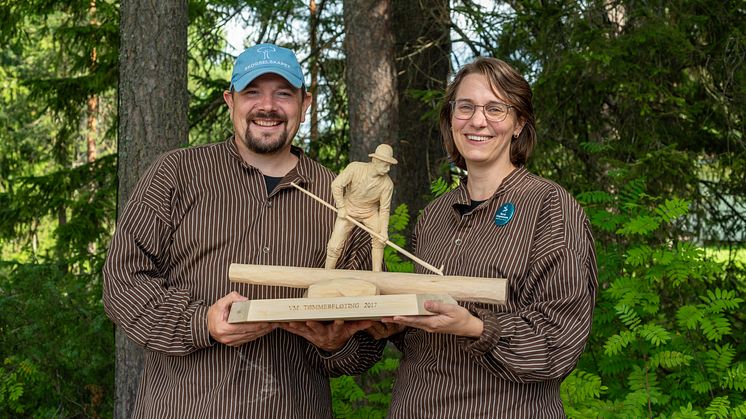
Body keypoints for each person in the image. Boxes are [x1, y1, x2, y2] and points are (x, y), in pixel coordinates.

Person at [103, 43, 384, 418]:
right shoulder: (177, 173)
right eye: (252, 92)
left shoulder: (340, 200)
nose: (267, 106)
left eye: (283, 93)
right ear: (230, 101)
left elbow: (364, 344)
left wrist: (335, 344)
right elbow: (122, 281)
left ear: (305, 103)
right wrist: (200, 323)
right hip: (184, 408)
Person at [377, 57, 598, 417]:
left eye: (496, 109)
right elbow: (418, 335)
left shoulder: (550, 206)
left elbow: (559, 342)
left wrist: (475, 326)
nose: (478, 121)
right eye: (465, 107)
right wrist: (385, 321)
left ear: (519, 123)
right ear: (451, 118)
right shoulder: (434, 215)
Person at [325, 144, 397, 272]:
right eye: (385, 165)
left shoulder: (387, 184)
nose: (388, 169)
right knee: (334, 246)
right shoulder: (355, 168)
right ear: (375, 161)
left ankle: (377, 274)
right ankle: (327, 273)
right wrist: (341, 207)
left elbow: (385, 210)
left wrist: (384, 232)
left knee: (379, 240)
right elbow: (336, 185)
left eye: (389, 165)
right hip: (348, 210)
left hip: (370, 213)